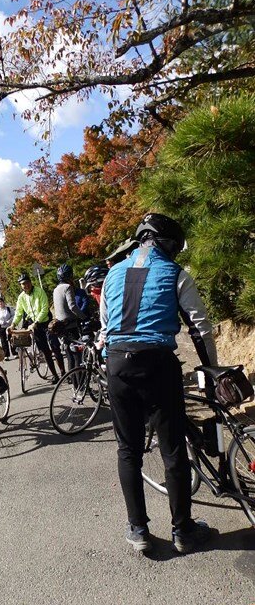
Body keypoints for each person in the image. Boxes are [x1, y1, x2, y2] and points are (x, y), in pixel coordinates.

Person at [99, 212, 218, 555]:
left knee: (128, 450)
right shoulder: (176, 273)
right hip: (158, 365)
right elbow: (200, 327)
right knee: (173, 448)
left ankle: (138, 530)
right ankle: (183, 530)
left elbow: (106, 327)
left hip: (118, 364)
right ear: (167, 245)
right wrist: (210, 371)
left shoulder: (112, 274)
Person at [8, 272, 60, 384]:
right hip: (34, 325)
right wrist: (13, 324)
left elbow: (45, 308)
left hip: (46, 322)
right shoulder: (21, 297)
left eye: (27, 282)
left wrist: (36, 322)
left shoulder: (39, 291)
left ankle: (64, 372)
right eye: (23, 284)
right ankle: (55, 375)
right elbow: (18, 312)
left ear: (30, 282)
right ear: (20, 285)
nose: (25, 285)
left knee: (55, 347)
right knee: (45, 351)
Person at [52, 264, 88, 372]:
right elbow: (72, 306)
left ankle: (73, 381)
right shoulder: (67, 287)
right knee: (77, 356)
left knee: (69, 356)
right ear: (69, 276)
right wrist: (83, 317)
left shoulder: (56, 289)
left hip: (60, 326)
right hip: (71, 325)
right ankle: (80, 381)